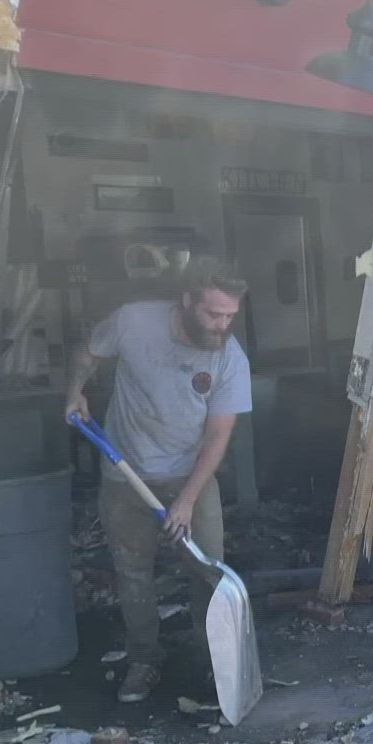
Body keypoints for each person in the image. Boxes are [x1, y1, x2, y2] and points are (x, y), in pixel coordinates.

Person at [66, 262, 253, 703]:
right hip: (124, 476)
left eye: (230, 317)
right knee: (133, 574)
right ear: (187, 301)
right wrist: (75, 390)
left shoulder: (230, 358)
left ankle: (216, 667)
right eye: (214, 315)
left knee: (207, 574)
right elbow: (87, 353)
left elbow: (218, 435)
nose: (223, 325)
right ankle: (144, 660)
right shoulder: (133, 322)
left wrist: (187, 500)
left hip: (192, 477)